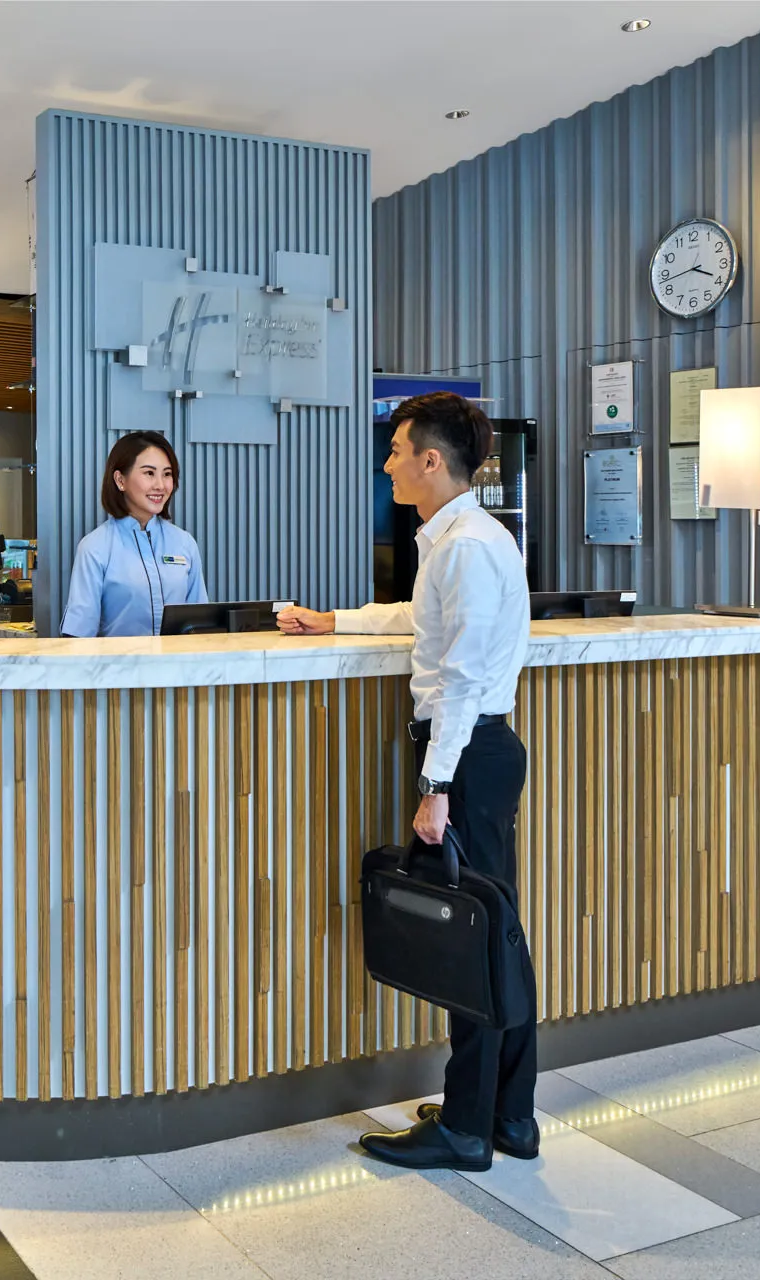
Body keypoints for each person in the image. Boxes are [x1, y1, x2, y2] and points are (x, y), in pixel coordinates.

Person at [277, 392, 534, 1172]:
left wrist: (435, 784)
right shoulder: (463, 539)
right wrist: (336, 620)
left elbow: (459, 677)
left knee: (474, 939)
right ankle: (507, 1114)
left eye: (395, 450)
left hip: (468, 755)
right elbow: (425, 623)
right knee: (493, 932)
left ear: (430, 459)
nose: (386, 463)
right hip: (479, 752)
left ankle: (466, 1128)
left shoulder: (465, 547)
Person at [60, 430, 208, 637]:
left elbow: (201, 626)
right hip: (117, 659)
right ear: (120, 480)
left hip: (178, 659)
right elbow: (78, 635)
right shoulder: (95, 548)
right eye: (149, 473)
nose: (160, 485)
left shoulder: (184, 543)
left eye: (167, 474)